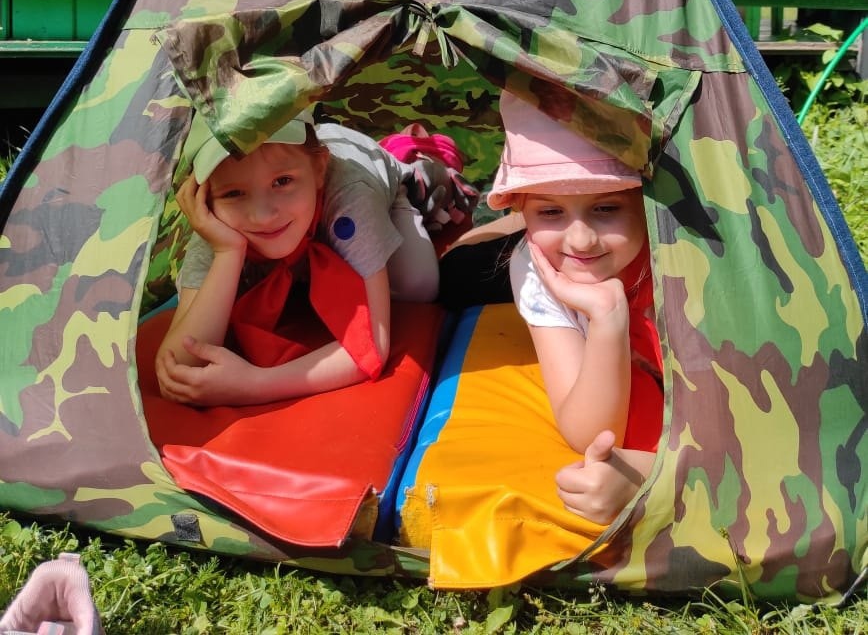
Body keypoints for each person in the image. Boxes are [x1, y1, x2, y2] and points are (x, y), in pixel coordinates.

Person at [155, 109, 443, 407]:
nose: (263, 215)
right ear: (202, 198)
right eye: (234, 193)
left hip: (367, 173)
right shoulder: (215, 224)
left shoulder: (350, 196)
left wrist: (255, 384)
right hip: (309, 173)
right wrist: (227, 252)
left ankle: (412, 164)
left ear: (319, 169)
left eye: (282, 182)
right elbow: (180, 365)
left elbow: (374, 346)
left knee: (418, 283)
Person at [486, 91, 663, 525]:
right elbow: (590, 432)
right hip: (492, 260)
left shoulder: (686, 258)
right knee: (453, 272)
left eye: (606, 208)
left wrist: (651, 475)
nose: (581, 240)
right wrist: (607, 316)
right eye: (550, 211)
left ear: (646, 201)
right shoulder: (535, 265)